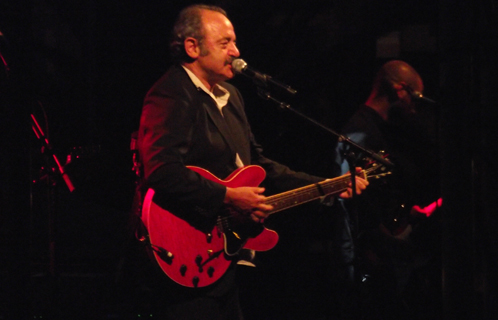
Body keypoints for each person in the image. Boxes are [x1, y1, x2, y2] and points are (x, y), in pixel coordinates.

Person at [134, 4, 369, 320]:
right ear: (192, 47)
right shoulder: (172, 94)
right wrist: (229, 196)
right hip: (183, 255)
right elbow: (161, 170)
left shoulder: (231, 96)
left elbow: (260, 166)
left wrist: (325, 187)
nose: (236, 50)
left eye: (234, 41)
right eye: (225, 43)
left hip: (220, 260)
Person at [333, 60, 442, 319]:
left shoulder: (384, 129)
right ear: (399, 89)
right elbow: (351, 199)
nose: (415, 108)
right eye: (414, 97)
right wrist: (381, 241)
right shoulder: (359, 132)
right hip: (374, 256)